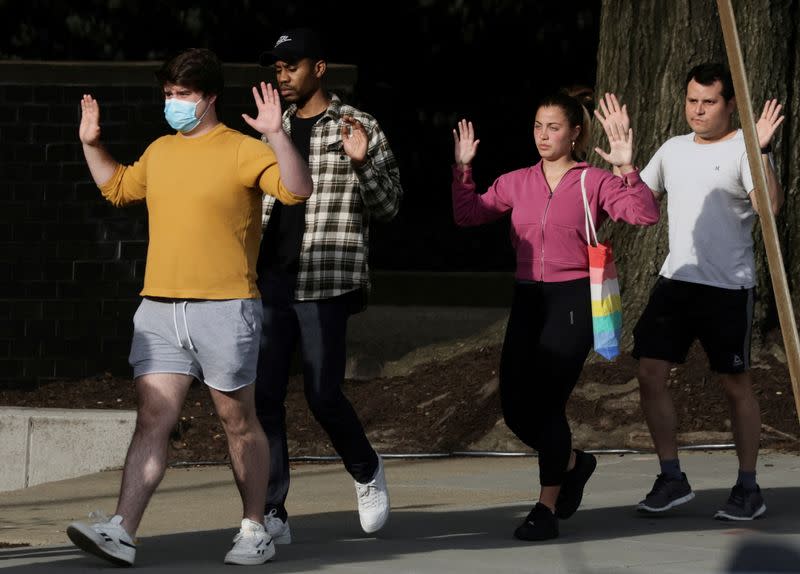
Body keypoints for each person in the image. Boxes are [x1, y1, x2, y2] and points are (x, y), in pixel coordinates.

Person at [66, 47, 313, 567]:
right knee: (153, 418)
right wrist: (92, 143)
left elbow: (297, 188)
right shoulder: (160, 151)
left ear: (209, 98)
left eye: (183, 95)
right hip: (159, 309)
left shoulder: (242, 149)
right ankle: (122, 531)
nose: (173, 104)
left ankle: (255, 527)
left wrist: (275, 133)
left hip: (225, 309)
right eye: (168, 95)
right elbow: (116, 188)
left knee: (237, 421)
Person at [451, 90, 660, 541]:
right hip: (527, 299)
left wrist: (626, 167)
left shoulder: (594, 182)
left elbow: (644, 215)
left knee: (547, 404)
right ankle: (572, 462)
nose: (544, 136)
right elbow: (467, 215)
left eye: (554, 127)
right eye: (538, 127)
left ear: (575, 133)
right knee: (513, 408)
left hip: (572, 302)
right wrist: (464, 168)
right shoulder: (517, 180)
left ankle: (545, 507)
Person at [253, 27, 402, 543]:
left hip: (325, 280)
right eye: (277, 68)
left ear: (319, 68)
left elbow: (389, 206)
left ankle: (365, 469)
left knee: (321, 393)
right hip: (271, 279)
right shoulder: (272, 129)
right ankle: (273, 509)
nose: (283, 75)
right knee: (265, 396)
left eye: (291, 66)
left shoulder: (357, 126)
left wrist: (361, 164)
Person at [631, 62, 784, 520]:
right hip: (676, 281)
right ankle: (672, 477)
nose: (698, 110)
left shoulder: (745, 146)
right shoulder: (673, 149)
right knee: (648, 373)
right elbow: (637, 202)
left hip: (727, 288)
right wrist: (621, 168)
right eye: (692, 101)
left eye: (709, 102)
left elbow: (770, 209)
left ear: (729, 104)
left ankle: (748, 487)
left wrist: (760, 154)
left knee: (735, 384)